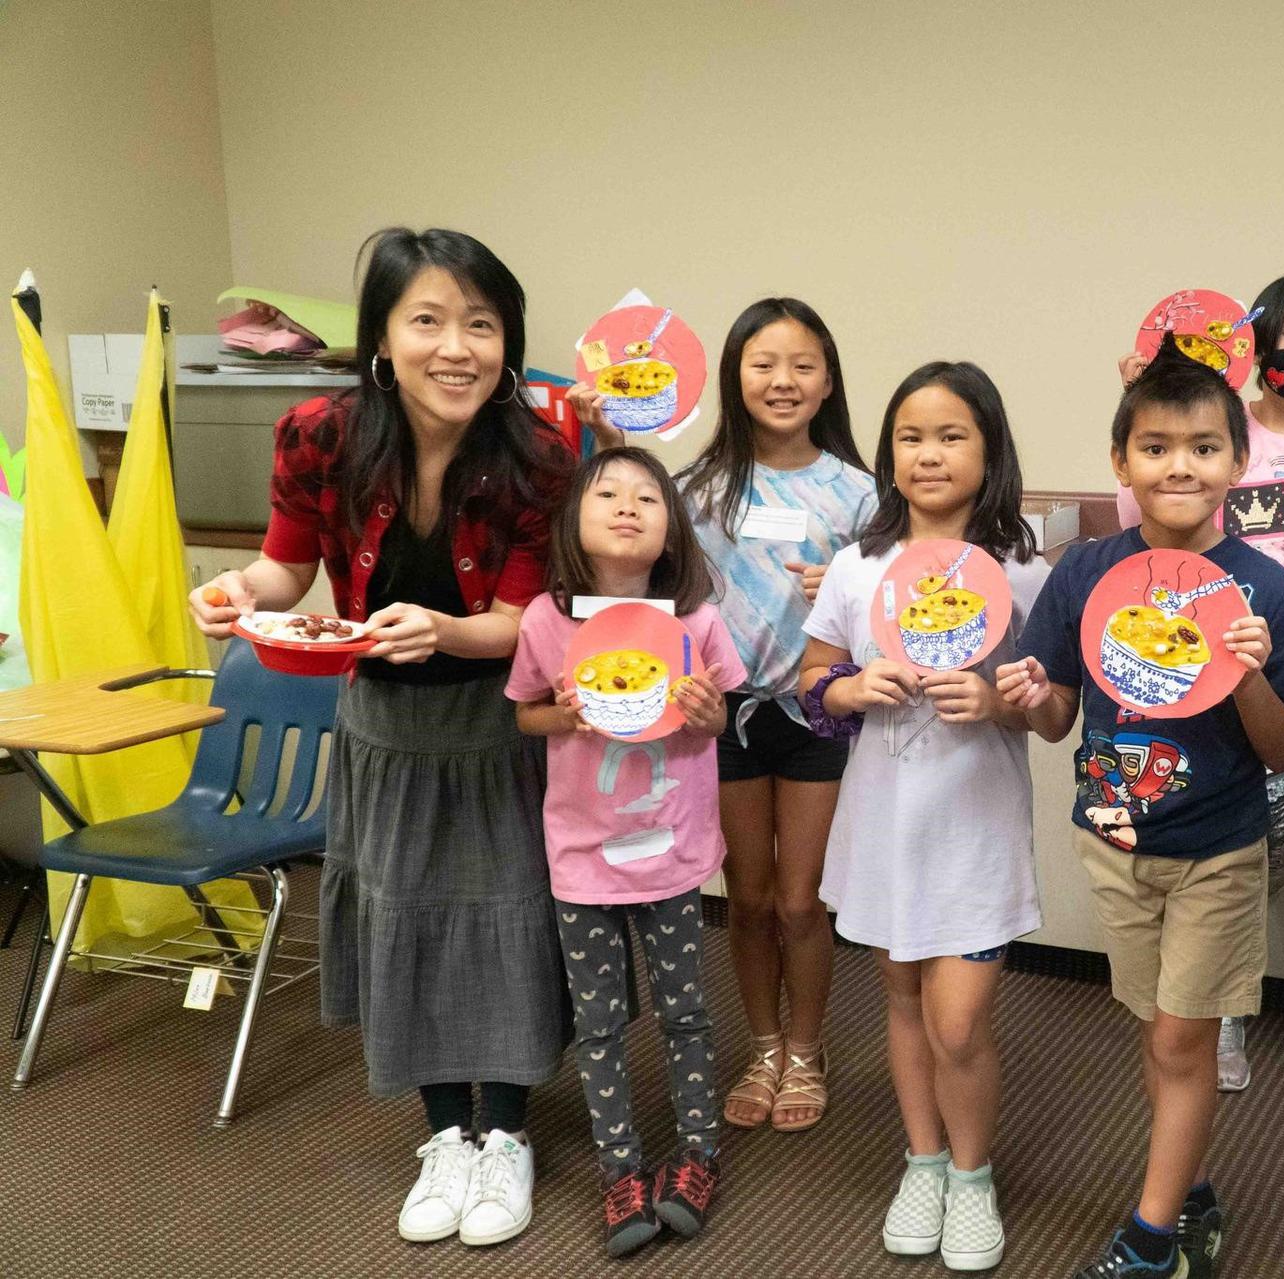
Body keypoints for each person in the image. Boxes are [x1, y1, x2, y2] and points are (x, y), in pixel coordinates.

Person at [189, 227, 574, 1247]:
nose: (457, 348)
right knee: (407, 916)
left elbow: (524, 620)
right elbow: (284, 571)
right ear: (383, 337)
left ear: (507, 341)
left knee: (506, 917)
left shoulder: (539, 456)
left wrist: (446, 629)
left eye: (481, 324)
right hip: (381, 727)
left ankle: (509, 1134)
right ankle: (446, 1131)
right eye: (428, 321)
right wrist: (233, 592)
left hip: (495, 723)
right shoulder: (319, 436)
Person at [997, 343, 1284, 1279]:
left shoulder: (1265, 589)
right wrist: (1031, 695)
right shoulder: (1087, 571)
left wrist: (1247, 673)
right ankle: (1190, 1191)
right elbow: (1056, 716)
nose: (1180, 466)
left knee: (1182, 1035)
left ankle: (1149, 1238)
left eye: (1205, 448)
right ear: (1121, 460)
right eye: (1156, 446)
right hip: (1114, 838)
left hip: (1218, 847)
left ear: (1238, 462)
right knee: (1159, 1030)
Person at [573, 298, 875, 1133]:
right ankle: (764, 1047)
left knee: (799, 901)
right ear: (733, 376)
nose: (783, 380)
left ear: (828, 382)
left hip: (813, 709)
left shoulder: (859, 492)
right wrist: (608, 438)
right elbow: (634, 550)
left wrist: (847, 590)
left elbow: (891, 614)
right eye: (763, 363)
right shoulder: (697, 487)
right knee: (745, 898)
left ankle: (806, 1051)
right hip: (720, 712)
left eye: (803, 365)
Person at [798, 362, 1049, 1271]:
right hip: (883, 821)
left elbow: (1057, 713)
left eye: (952, 436)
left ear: (990, 450)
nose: (929, 454)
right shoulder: (856, 566)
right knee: (902, 999)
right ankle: (924, 1161)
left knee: (959, 1022)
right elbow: (812, 680)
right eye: (911, 436)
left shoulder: (1024, 572)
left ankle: (973, 1178)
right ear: (888, 453)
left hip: (976, 828)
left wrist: (1002, 701)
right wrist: (852, 686)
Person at [1121, 272, 1284, 1091]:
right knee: (1256, 821)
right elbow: (1144, 522)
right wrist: (1140, 399)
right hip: (1220, 644)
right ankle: (1219, 1004)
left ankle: (1219, 985)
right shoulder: (1218, 425)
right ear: (1256, 341)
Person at [506, 445, 747, 1257]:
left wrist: (709, 713)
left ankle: (699, 1153)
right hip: (583, 856)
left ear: (670, 529)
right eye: (606, 492)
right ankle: (620, 1169)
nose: (627, 506)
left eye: (648, 497)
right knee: (600, 1022)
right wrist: (564, 714)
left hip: (672, 852)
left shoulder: (695, 621)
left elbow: (719, 719)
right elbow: (526, 713)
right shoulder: (546, 620)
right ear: (574, 520)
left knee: (686, 1009)